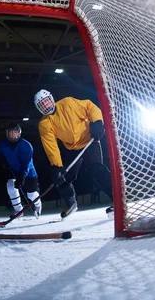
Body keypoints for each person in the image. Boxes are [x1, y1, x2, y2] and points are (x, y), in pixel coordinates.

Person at [33, 89, 114, 219]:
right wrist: (57, 166)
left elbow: (89, 107)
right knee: (61, 177)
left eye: (47, 102)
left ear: (51, 99)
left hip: (89, 140)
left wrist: (97, 121)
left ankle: (116, 198)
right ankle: (71, 203)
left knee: (96, 169)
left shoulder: (68, 103)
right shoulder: (44, 124)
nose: (46, 106)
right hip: (71, 148)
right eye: (42, 105)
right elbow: (51, 146)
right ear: (39, 108)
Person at [0, 123, 42, 219]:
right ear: (7, 134)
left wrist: (22, 176)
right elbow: (2, 157)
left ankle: (38, 206)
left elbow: (26, 163)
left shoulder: (26, 146)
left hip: (29, 173)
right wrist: (6, 166)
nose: (13, 135)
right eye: (11, 133)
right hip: (14, 171)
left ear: (19, 133)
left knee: (31, 194)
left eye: (15, 132)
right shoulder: (3, 145)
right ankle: (19, 210)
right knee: (10, 186)